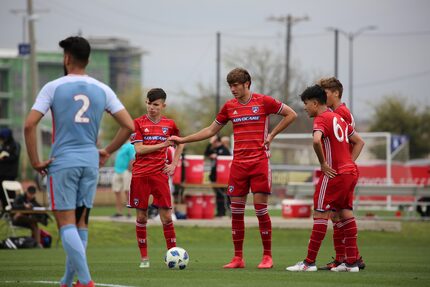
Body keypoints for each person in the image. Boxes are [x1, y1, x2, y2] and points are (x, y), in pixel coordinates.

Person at [24, 36, 134, 287]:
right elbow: (128, 125)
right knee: (81, 223)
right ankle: (67, 279)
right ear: (88, 59)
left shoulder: (53, 87)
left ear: (67, 58)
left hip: (63, 162)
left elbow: (30, 124)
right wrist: (106, 150)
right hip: (90, 162)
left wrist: (35, 161)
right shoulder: (103, 89)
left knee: (65, 223)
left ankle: (85, 281)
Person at [170, 68, 297, 269]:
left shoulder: (264, 101)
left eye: (236, 85)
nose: (232, 89)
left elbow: (291, 114)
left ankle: (267, 257)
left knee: (260, 210)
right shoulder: (229, 106)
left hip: (259, 163)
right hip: (238, 164)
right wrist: (183, 139)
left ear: (247, 84)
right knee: (236, 212)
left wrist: (272, 135)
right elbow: (211, 130)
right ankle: (238, 258)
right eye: (230, 85)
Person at [286, 85, 364, 272]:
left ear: (315, 103)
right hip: (350, 172)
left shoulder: (322, 118)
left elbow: (316, 140)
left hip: (334, 174)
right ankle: (351, 262)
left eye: (305, 104)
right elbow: (359, 141)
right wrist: (348, 163)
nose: (304, 108)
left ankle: (308, 263)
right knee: (343, 212)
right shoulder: (338, 117)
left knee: (321, 212)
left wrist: (323, 163)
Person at [129, 88, 185, 269]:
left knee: (167, 217)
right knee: (142, 217)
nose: (151, 107)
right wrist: (164, 144)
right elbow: (139, 149)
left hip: (159, 176)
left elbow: (180, 143)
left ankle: (174, 257)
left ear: (163, 105)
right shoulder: (137, 123)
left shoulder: (169, 124)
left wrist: (174, 163)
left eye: (155, 104)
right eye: (148, 103)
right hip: (140, 176)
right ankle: (144, 259)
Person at [318, 77, 365, 270]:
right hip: (340, 171)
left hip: (341, 173)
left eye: (325, 93)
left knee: (338, 213)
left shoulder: (340, 113)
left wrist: (346, 164)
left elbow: (357, 141)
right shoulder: (337, 112)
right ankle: (346, 258)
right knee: (338, 214)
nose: (322, 97)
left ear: (336, 93)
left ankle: (349, 258)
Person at [204, 135, 231, 217]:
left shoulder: (224, 150)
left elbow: (227, 161)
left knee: (225, 195)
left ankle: (227, 211)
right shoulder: (214, 149)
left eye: (213, 142)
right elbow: (206, 153)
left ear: (217, 141)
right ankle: (220, 212)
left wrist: (218, 157)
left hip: (222, 176)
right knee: (218, 195)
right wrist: (210, 143)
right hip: (214, 176)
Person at [111, 141, 135, 218]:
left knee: (127, 191)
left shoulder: (131, 145)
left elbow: (133, 157)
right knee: (117, 191)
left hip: (126, 171)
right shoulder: (121, 145)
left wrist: (130, 169)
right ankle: (119, 212)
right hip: (117, 170)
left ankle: (129, 212)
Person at [0, 127, 21, 210]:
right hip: (1, 174)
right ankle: (5, 210)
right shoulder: (3, 145)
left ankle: (13, 210)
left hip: (10, 174)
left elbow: (15, 157)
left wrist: (5, 158)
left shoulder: (15, 145)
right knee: (2, 193)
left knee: (10, 193)